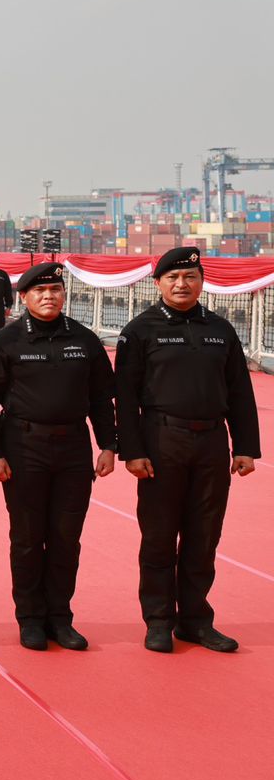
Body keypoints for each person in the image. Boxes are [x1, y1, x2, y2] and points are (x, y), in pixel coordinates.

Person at [115, 247, 259, 653]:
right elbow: (124, 397)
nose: (182, 285)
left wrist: (245, 446)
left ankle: (195, 620)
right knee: (159, 536)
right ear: (158, 283)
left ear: (201, 281)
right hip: (162, 442)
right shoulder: (140, 330)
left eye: (191, 277)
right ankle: (159, 620)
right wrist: (132, 450)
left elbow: (239, 391)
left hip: (212, 443)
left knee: (204, 536)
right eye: (174, 278)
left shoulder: (220, 328)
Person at [0, 262, 116, 651]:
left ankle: (60, 617)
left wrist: (109, 444)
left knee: (66, 538)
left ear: (63, 295)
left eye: (55, 290)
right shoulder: (6, 341)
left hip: (73, 448)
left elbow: (103, 397)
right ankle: (30, 618)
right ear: (24, 297)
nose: (48, 297)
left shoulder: (84, 340)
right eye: (39, 291)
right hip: (23, 448)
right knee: (27, 538)